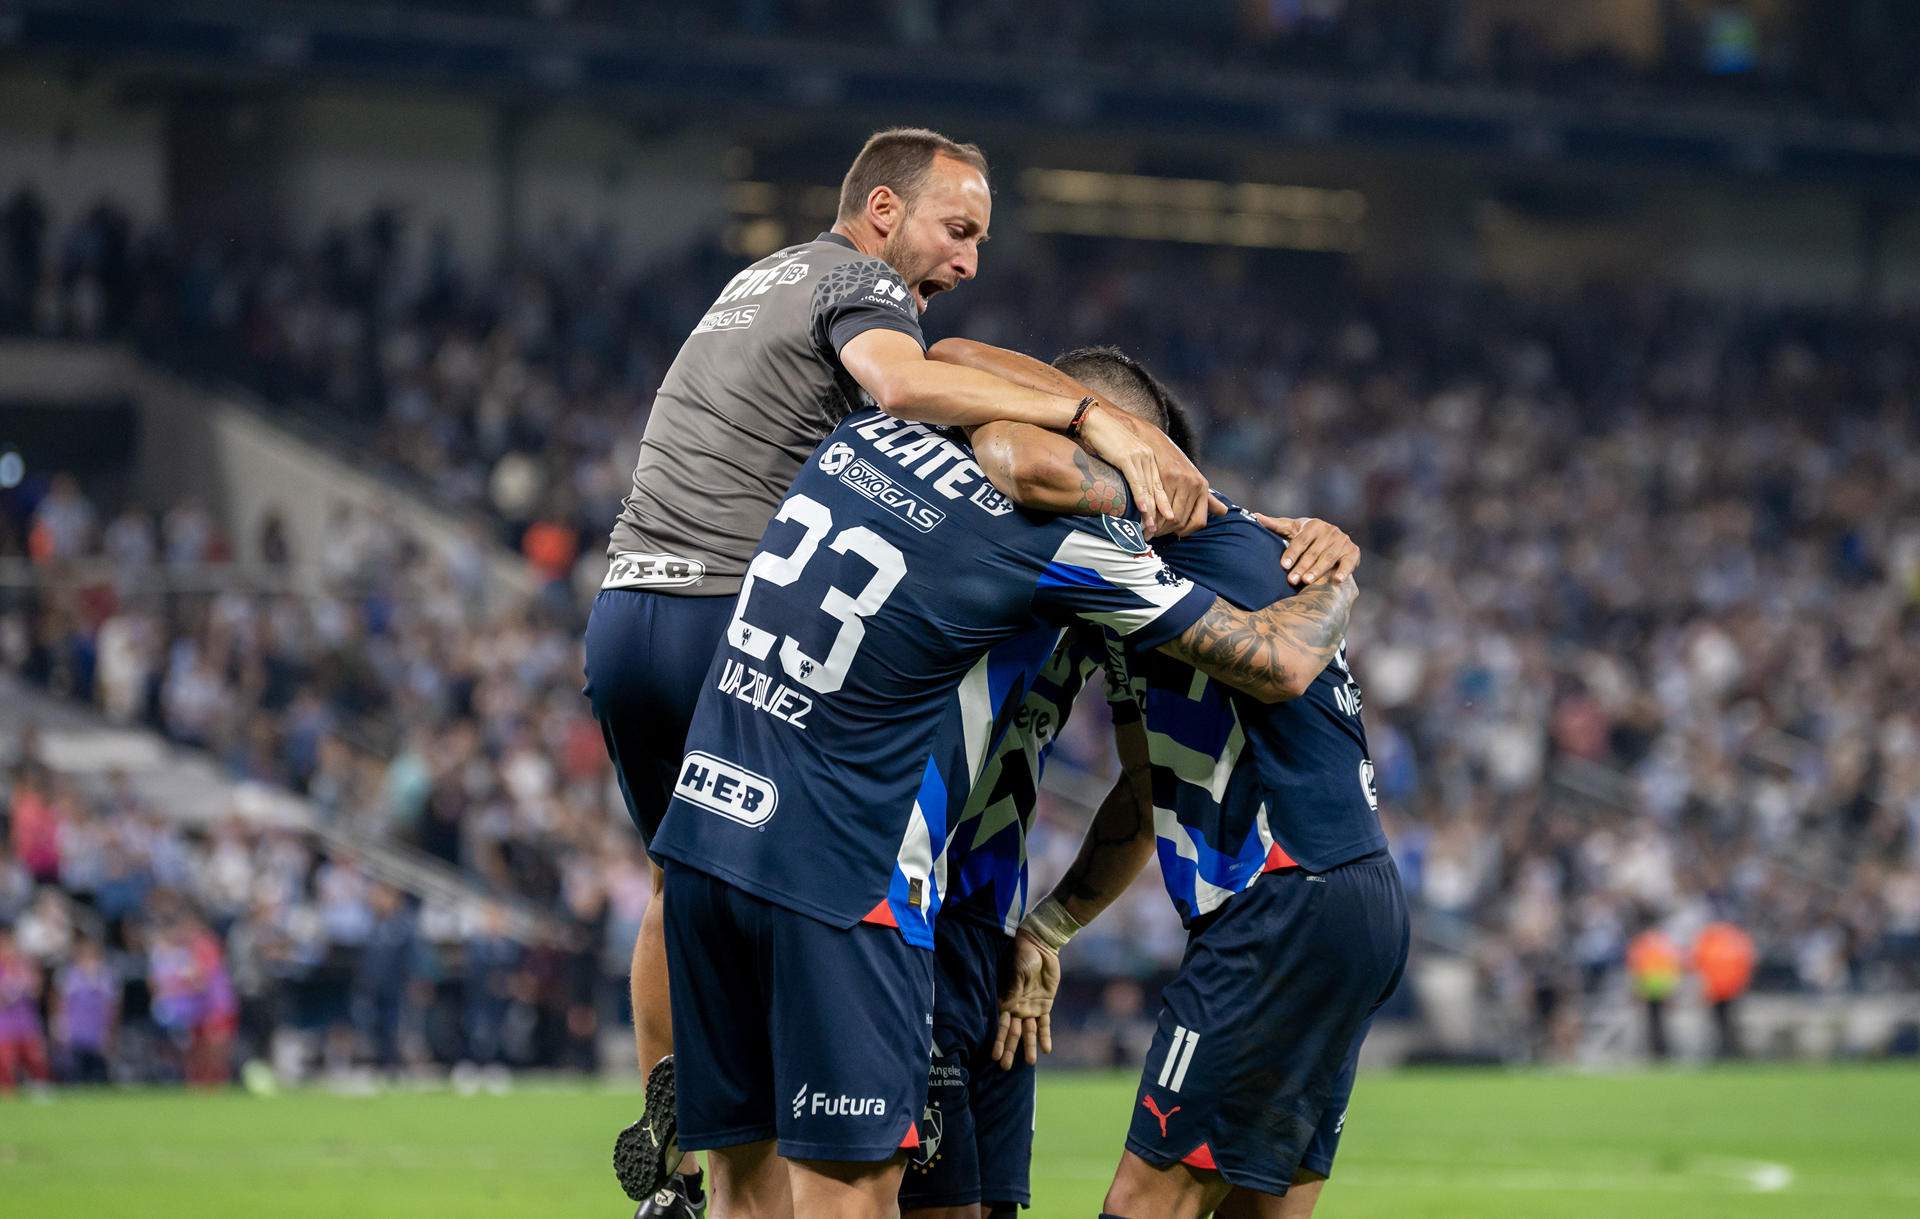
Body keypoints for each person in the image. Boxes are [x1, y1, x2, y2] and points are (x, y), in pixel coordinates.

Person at [587, 126, 1212, 1218]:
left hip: (629, 604)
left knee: (683, 875)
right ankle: (836, 1068)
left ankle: (677, 1156)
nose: (967, 263)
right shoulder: (860, 290)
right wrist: (1088, 414)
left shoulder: (761, 277)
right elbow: (913, 382)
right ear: (883, 211)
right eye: (957, 230)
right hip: (738, 610)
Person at [650, 398, 1352, 1219]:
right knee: (876, 1196)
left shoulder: (897, 449)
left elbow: (1143, 780)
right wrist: (1338, 574)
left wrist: (1047, 928)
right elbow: (1277, 659)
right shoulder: (1056, 543)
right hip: (888, 894)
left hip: (971, 911)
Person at [897, 344, 1360, 1219]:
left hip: (990, 926)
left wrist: (1048, 928)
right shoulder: (986, 513)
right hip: (905, 915)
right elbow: (962, 386)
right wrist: (1089, 425)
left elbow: (1153, 779)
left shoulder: (1111, 584)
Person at [52, 936, 118, 1084]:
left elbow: (111, 1005)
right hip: (77, 1027)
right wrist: (60, 1024)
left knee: (99, 1069)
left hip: (98, 1028)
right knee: (77, 1067)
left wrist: (111, 1031)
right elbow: (61, 1002)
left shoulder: (105, 975)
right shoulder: (69, 974)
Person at [0, 925, 53, 1095]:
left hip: (27, 1022)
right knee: (6, 1062)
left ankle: (39, 1090)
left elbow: (37, 991)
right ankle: (7, 1094)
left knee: (35, 1059)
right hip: (5, 1024)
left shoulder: (26, 966)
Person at [1693, 920, 1756, 1060]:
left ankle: (1726, 1050)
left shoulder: (1710, 943)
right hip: (1728, 990)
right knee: (1728, 1022)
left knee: (1721, 1023)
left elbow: (1699, 964)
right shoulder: (1737, 942)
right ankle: (1729, 1050)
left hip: (1719, 990)